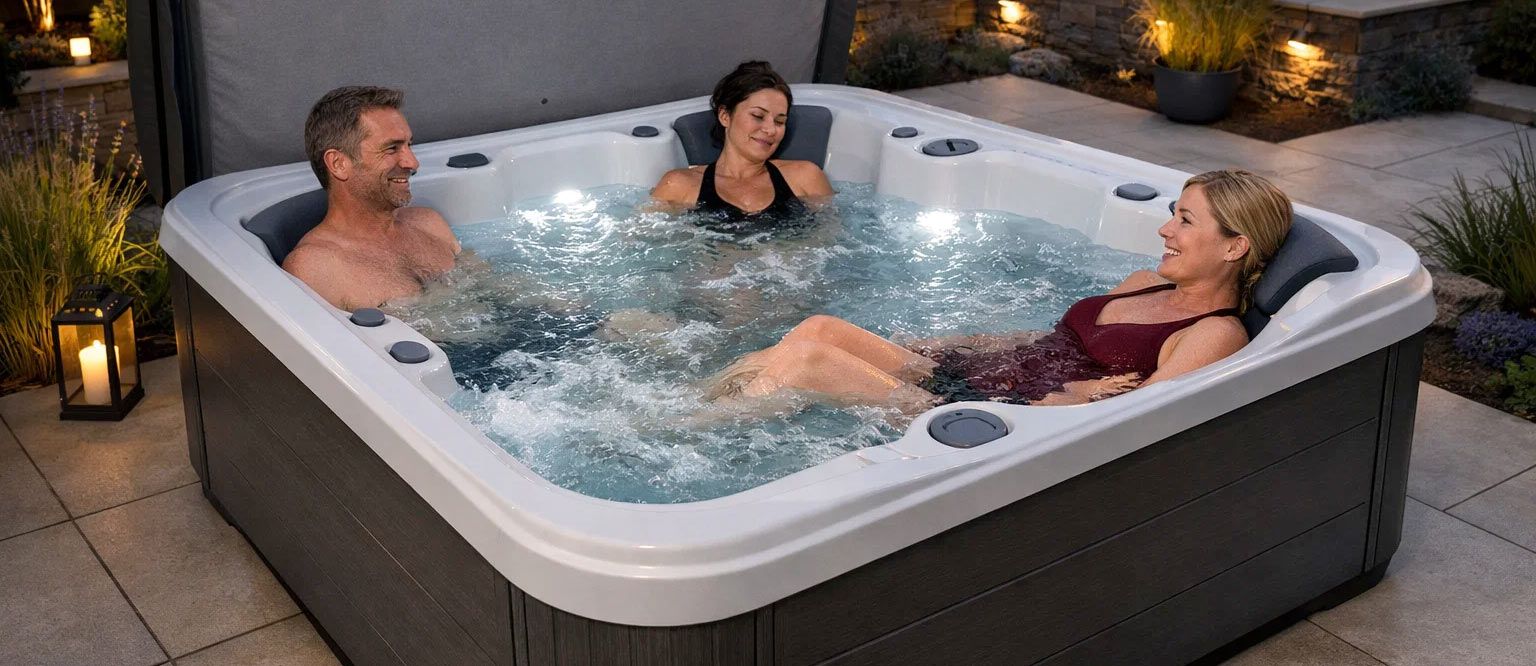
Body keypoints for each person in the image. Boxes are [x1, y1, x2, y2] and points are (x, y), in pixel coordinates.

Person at [703, 169, 1293, 411]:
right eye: (1173, 213)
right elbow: (1051, 337)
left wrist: (1080, 399)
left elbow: (1145, 414)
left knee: (807, 360)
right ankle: (698, 406)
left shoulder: (1213, 332)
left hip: (999, 416)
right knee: (819, 329)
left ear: (1235, 246)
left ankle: (671, 432)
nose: (1165, 228)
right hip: (977, 370)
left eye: (1186, 221)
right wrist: (947, 342)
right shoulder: (1144, 283)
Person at [282, 86, 461, 310]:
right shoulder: (315, 268)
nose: (413, 163)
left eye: (409, 145)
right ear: (339, 164)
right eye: (391, 148)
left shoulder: (429, 224)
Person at [650, 61, 835, 224]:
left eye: (780, 121)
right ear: (725, 116)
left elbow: (832, 240)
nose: (771, 130)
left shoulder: (805, 178)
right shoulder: (679, 186)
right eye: (758, 116)